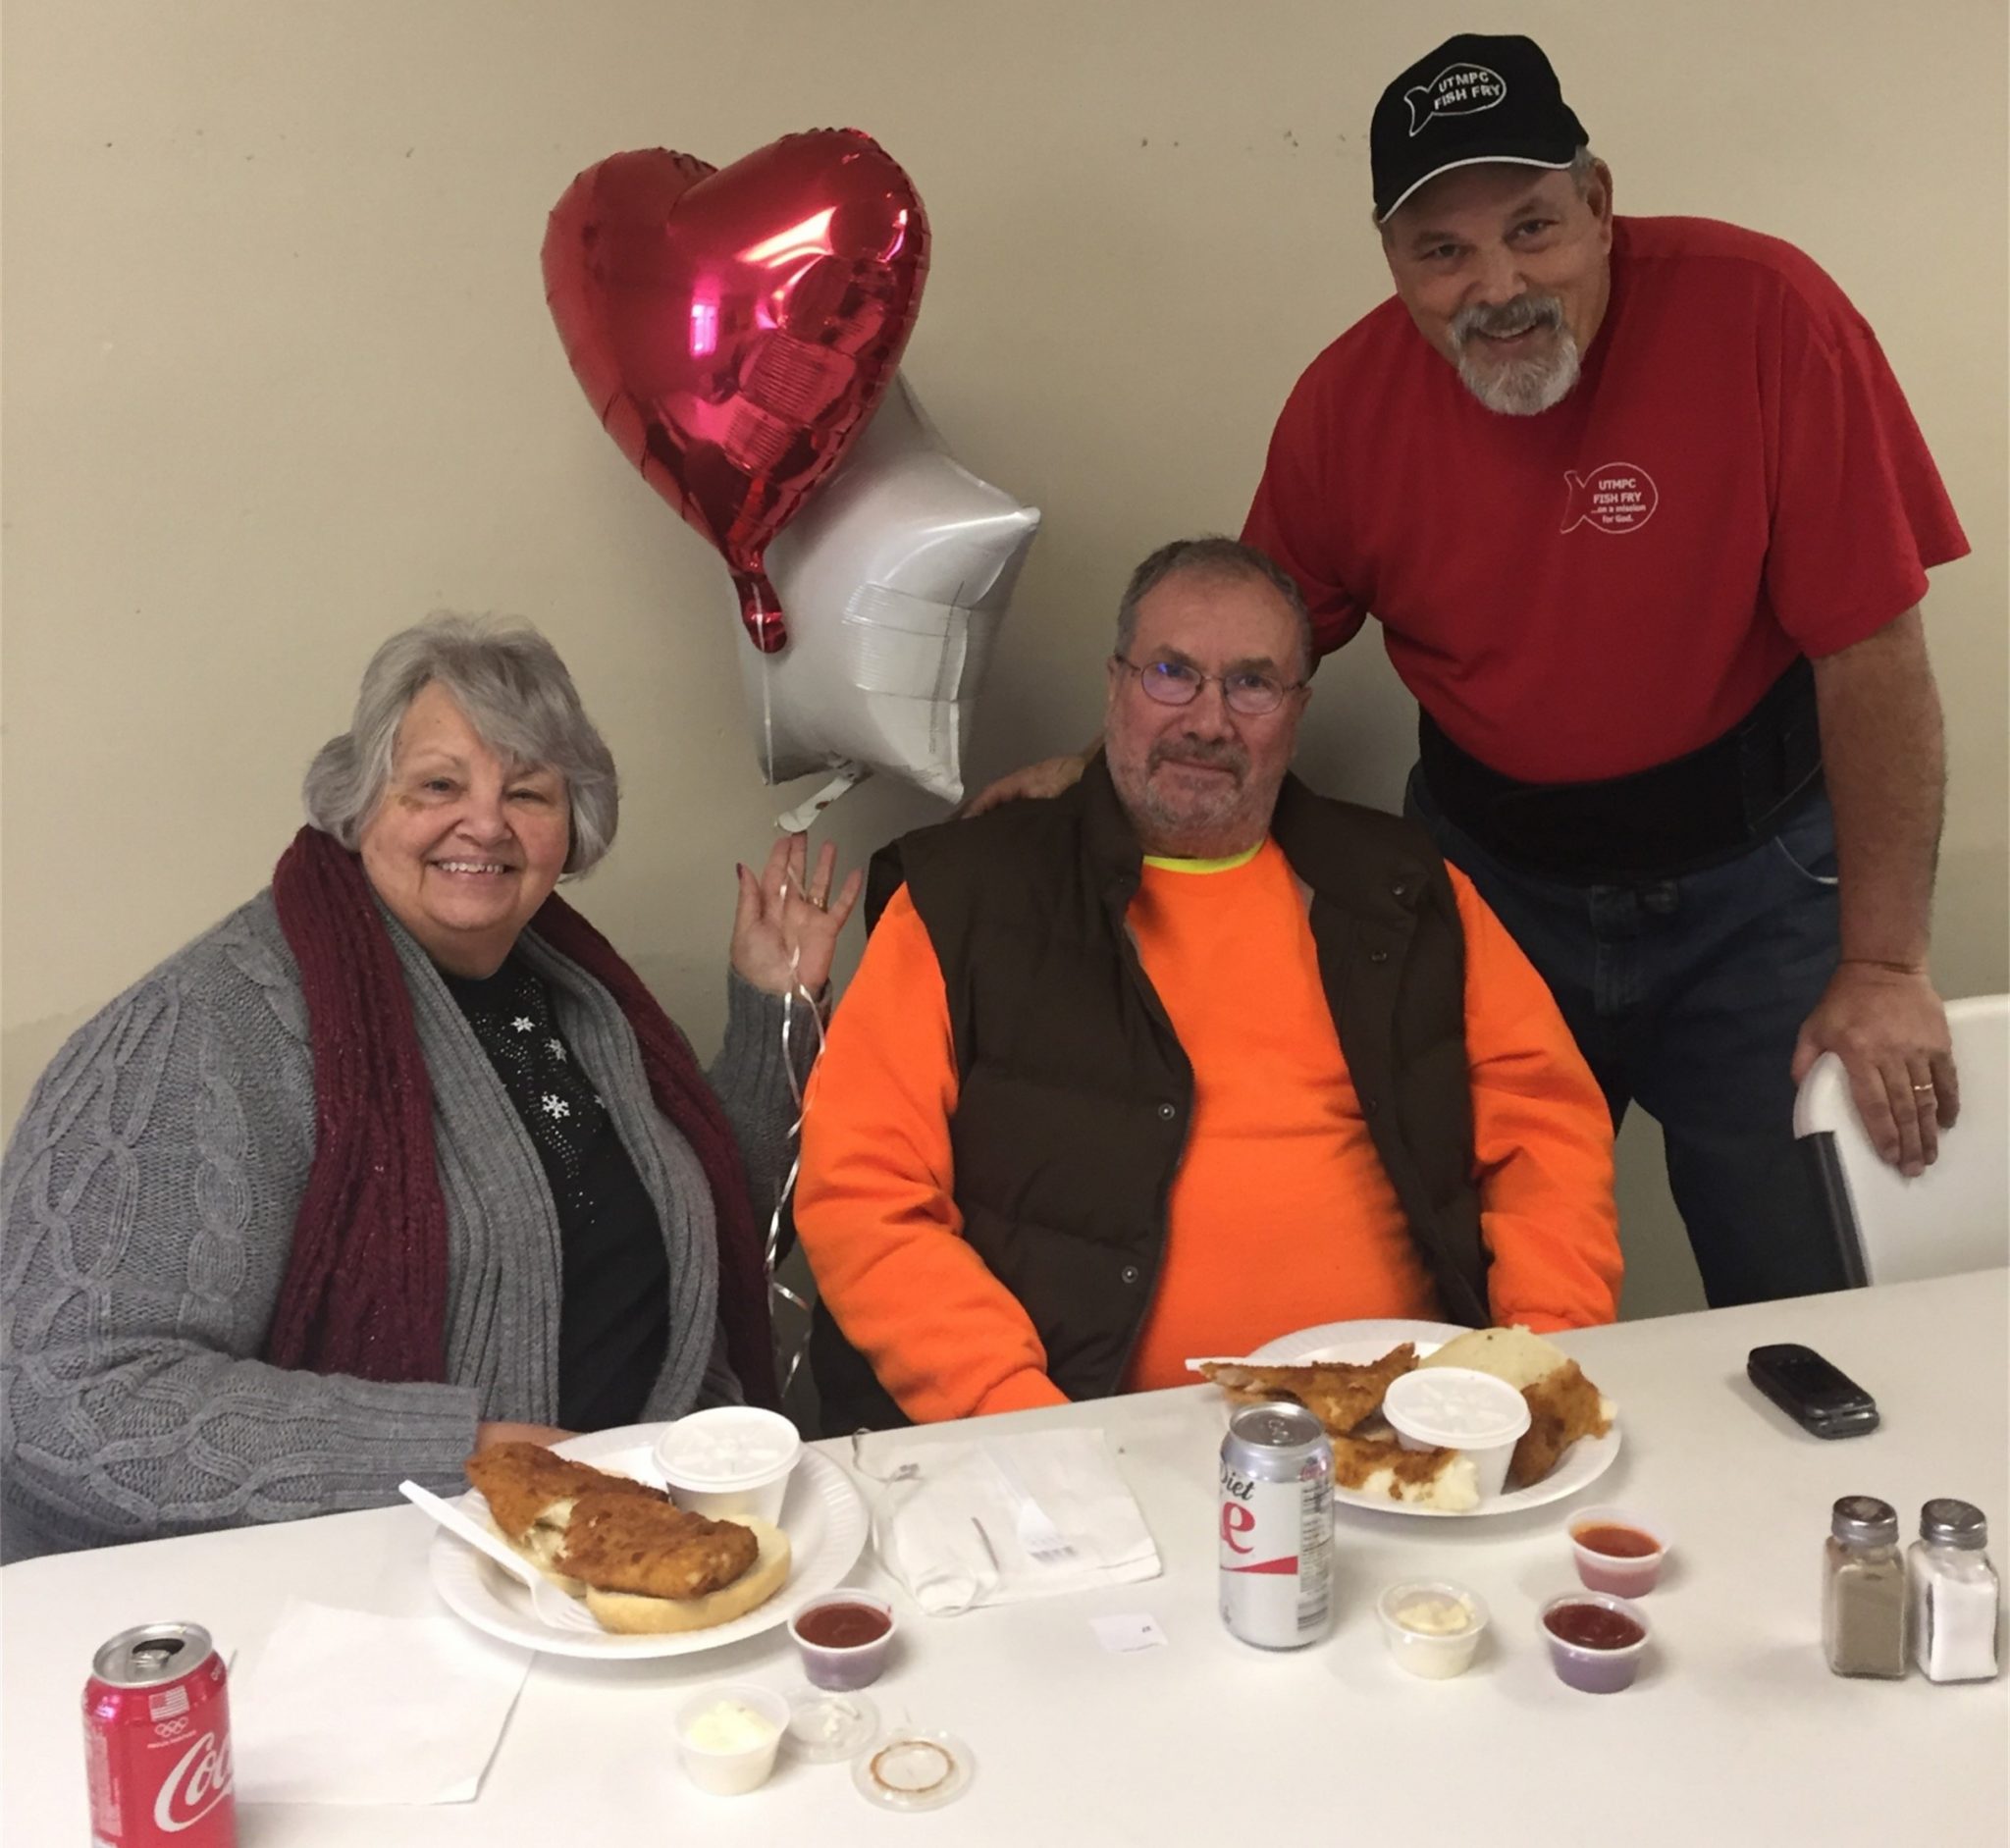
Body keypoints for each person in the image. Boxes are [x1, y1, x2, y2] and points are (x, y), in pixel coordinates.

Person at [969, 33, 1967, 1309]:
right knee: (1468, 1290)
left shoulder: (1767, 312)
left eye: (1534, 228)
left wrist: (1883, 963)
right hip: (1494, 891)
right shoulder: (1346, 405)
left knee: (1809, 1281)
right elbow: (1259, 645)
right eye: (1442, 250)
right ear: (1394, 263)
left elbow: (1869, 643)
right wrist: (1117, 771)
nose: (1498, 284)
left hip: (1758, 885)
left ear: (1599, 207)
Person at [0, 614, 861, 1559]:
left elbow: (713, 1245)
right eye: (440, 784)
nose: (486, 822)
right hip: (360, 1588)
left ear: (571, 831)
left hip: (622, 1547)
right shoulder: (208, 1025)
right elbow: (62, 1397)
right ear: (360, 799)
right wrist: (459, 1455)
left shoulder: (577, 998)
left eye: (526, 791)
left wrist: (773, 1009)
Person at [796, 539, 1619, 1431]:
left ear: (1296, 710)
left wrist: (1532, 1373)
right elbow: (863, 1191)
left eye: (1252, 683)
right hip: (1086, 1437)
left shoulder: (1407, 888)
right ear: (1115, 686)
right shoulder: (965, 895)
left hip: (1406, 1427)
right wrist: (1024, 1423)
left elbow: (1548, 1133)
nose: (1208, 720)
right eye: (1171, 673)